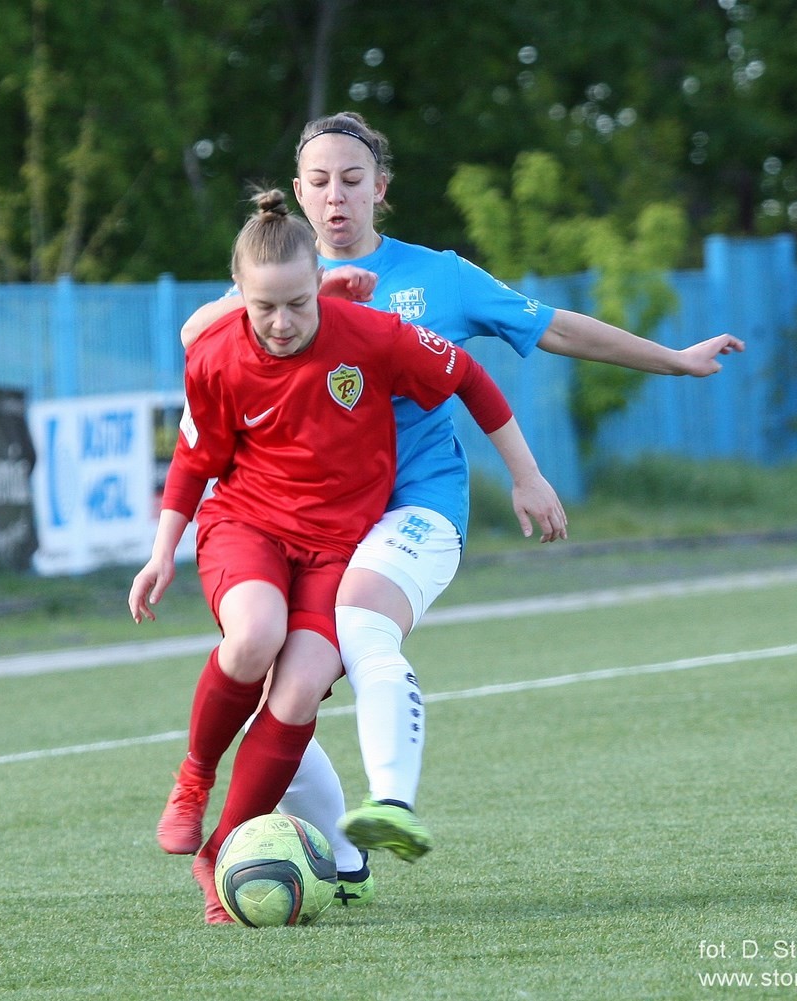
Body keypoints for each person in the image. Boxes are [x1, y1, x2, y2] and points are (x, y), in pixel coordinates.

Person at [175, 111, 745, 875]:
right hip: (299, 519)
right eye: (320, 182)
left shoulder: (439, 278)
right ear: (299, 195)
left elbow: (556, 329)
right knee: (275, 684)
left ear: (380, 189)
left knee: (350, 635)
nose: (337, 196)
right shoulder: (283, 283)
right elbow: (198, 335)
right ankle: (342, 857)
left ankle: (382, 806)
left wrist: (675, 360)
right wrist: (297, 295)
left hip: (411, 505)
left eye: (353, 180)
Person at [129, 187, 565, 924]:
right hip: (247, 526)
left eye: (298, 303)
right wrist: (161, 552)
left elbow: (467, 376)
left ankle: (220, 853)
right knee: (256, 636)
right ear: (238, 297)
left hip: (336, 545)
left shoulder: (372, 334)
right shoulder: (216, 355)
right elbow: (195, 457)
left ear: (320, 286)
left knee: (298, 690)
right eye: (263, 307)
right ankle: (195, 777)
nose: (282, 322)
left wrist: (527, 475)